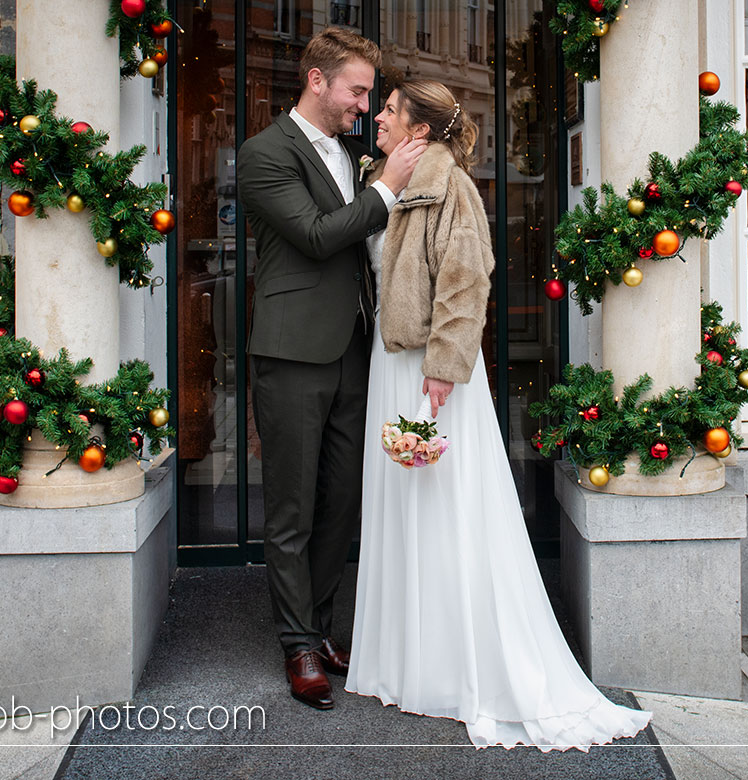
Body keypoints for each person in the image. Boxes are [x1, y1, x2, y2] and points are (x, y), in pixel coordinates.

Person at [346, 79, 652, 751]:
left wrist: (442, 370)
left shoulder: (450, 186)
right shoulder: (383, 179)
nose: (380, 118)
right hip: (389, 359)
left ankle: (456, 664)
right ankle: (406, 659)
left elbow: (466, 281)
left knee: (446, 507)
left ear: (420, 129)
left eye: (392, 110)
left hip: (431, 370)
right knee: (402, 504)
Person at [237, 28, 427, 710]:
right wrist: (386, 189)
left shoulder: (352, 155)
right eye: (355, 90)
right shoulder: (264, 154)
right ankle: (298, 645)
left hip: (355, 348)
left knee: (343, 499)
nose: (362, 104)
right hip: (290, 352)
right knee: (291, 506)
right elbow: (318, 237)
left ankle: (318, 624)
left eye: (367, 93)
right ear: (316, 81)